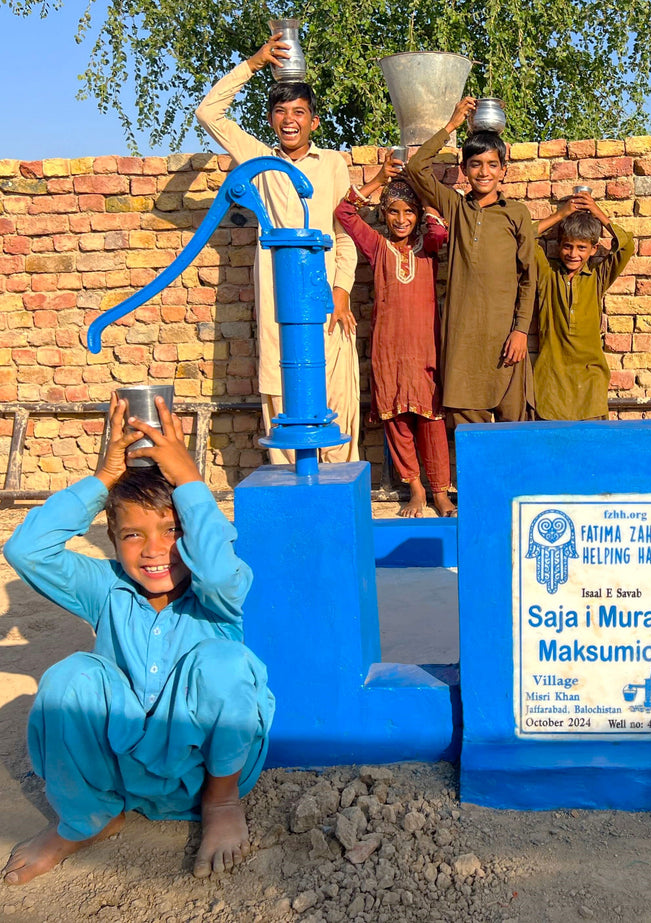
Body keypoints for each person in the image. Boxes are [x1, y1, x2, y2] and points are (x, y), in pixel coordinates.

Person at [1, 395, 274, 884]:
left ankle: (223, 803)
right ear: (111, 539)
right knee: (70, 677)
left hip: (203, 772)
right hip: (121, 772)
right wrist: (104, 477)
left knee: (226, 664)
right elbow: (25, 549)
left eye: (172, 530)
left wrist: (190, 481)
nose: (154, 551)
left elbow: (213, 570)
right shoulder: (105, 587)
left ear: (192, 531)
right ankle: (88, 819)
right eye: (133, 535)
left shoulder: (221, 590)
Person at [196, 34, 360, 464]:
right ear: (271, 120)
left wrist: (341, 290)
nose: (290, 120)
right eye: (281, 112)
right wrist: (252, 64)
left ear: (314, 122)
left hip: (324, 301)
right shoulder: (257, 160)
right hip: (276, 297)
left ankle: (337, 505)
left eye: (299, 113)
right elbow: (208, 113)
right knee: (282, 392)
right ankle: (295, 509)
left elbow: (345, 233)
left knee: (334, 401)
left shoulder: (332, 165)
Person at [334, 156, 456, 517]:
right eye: (393, 212)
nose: (401, 220)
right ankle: (415, 488)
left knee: (431, 422)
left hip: (425, 348)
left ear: (418, 214)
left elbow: (439, 231)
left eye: (409, 212)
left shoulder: (428, 248)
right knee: (396, 421)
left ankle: (440, 492)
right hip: (388, 348)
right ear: (384, 215)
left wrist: (422, 189)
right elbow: (344, 214)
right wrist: (375, 181)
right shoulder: (377, 247)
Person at [404, 97, 536, 425]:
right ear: (464, 170)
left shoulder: (515, 213)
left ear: (503, 170)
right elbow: (416, 168)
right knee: (470, 439)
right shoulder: (456, 207)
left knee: (512, 436)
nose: (484, 172)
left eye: (492, 164)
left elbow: (528, 277)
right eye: (475, 164)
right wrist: (451, 125)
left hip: (506, 343)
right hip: (463, 342)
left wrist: (520, 331)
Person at [533, 191, 635, 420]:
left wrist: (597, 212)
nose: (573, 254)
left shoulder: (598, 276)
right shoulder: (547, 274)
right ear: (559, 246)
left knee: (592, 450)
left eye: (581, 248)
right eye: (567, 246)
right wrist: (561, 214)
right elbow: (524, 237)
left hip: (591, 379)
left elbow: (626, 245)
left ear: (593, 250)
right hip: (552, 379)